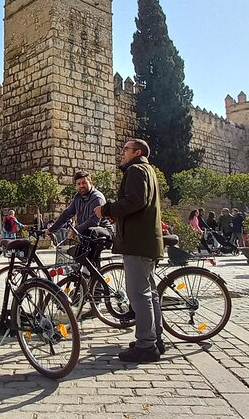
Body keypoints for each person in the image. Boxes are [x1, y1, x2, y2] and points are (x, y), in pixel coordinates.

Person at [94, 139, 164, 363]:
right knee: (150, 293)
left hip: (136, 241)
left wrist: (106, 209)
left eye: (125, 149)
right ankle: (155, 338)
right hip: (147, 241)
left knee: (138, 294)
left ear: (138, 152)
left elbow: (135, 201)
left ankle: (146, 345)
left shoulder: (135, 170)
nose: (121, 153)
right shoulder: (148, 170)